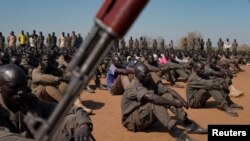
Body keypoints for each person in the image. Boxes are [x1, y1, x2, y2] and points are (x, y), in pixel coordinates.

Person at [0, 64, 94, 141]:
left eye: (23, 86)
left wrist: (84, 125)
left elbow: (69, 110)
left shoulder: (29, 101)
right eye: (14, 87)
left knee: (73, 120)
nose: (21, 92)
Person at [121, 63, 207, 141]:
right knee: (154, 102)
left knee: (167, 95)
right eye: (145, 73)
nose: (148, 75)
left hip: (143, 114)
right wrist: (174, 103)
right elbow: (151, 98)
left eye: (148, 72)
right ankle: (179, 135)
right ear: (137, 75)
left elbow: (167, 90)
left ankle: (188, 124)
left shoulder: (147, 80)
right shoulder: (135, 86)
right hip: (133, 121)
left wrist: (181, 99)